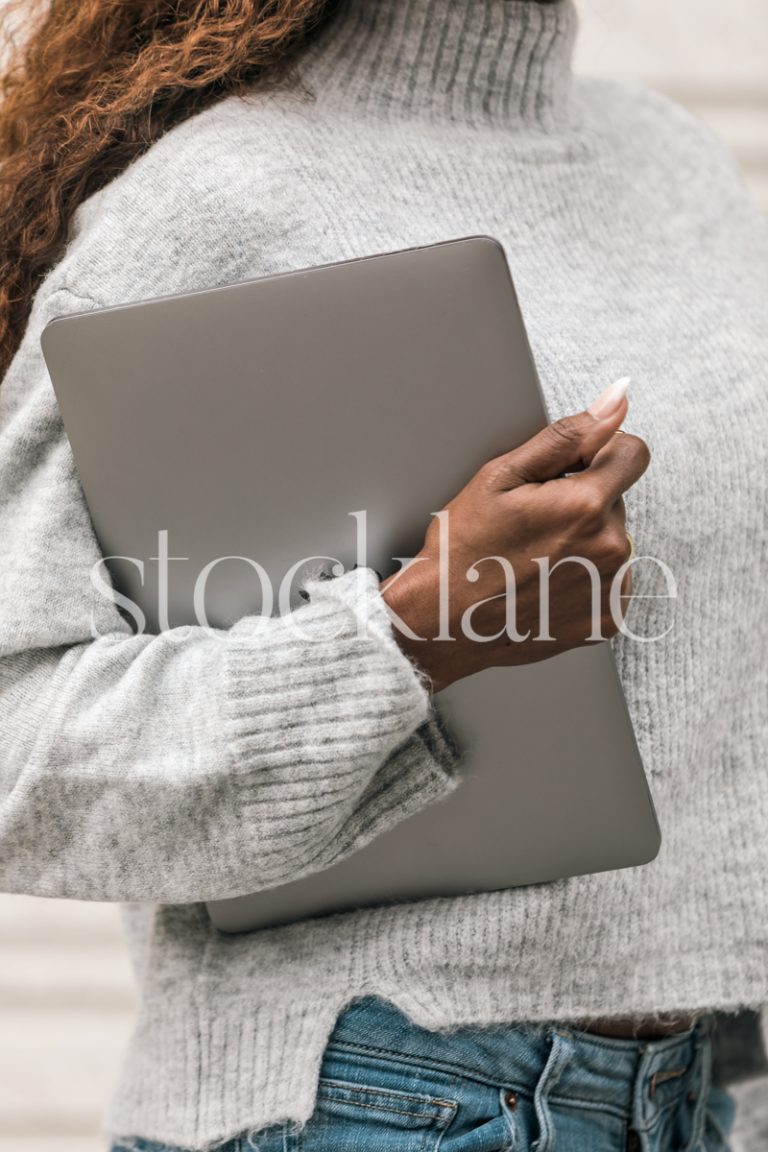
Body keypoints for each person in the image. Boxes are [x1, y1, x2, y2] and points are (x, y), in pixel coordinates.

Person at [0, 1, 766, 1149]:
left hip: (694, 1092)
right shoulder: (212, 202)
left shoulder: (676, 164)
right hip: (374, 1100)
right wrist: (407, 633)